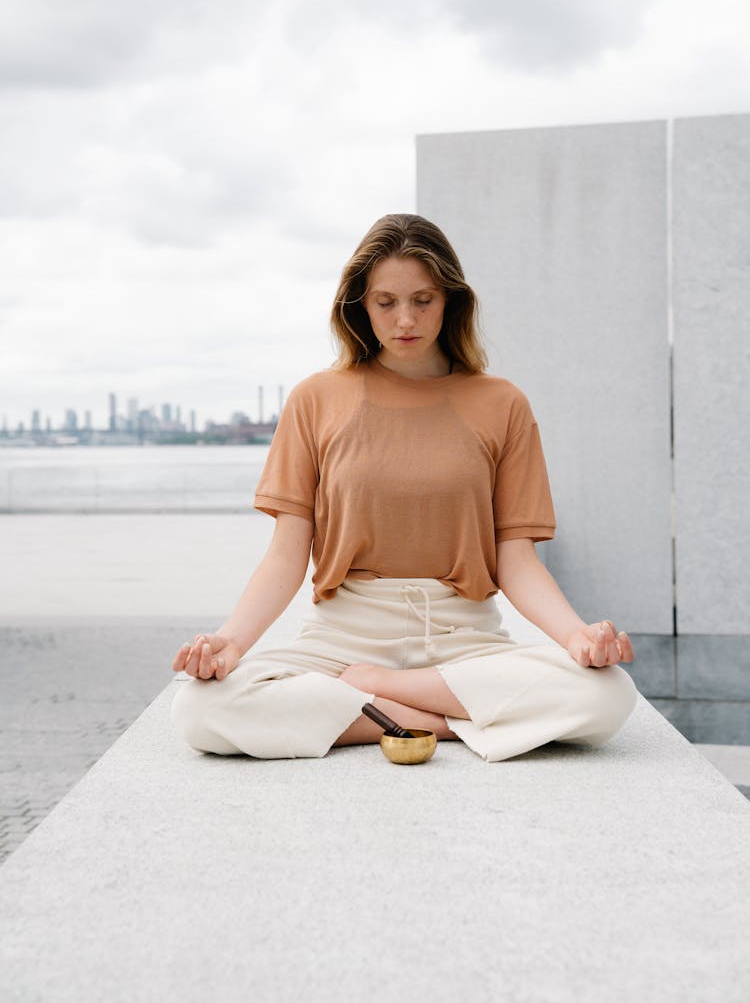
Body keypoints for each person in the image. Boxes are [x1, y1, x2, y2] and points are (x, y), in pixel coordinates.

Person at [171, 213, 636, 762]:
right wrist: (233, 642)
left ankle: (377, 697)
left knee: (607, 695)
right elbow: (286, 555)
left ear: (451, 301)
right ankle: (444, 721)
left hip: (464, 638)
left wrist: (577, 636)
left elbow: (517, 558)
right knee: (200, 711)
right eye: (386, 302)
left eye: (423, 299)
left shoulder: (502, 403)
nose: (405, 319)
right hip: (342, 637)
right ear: (360, 306)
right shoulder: (315, 399)